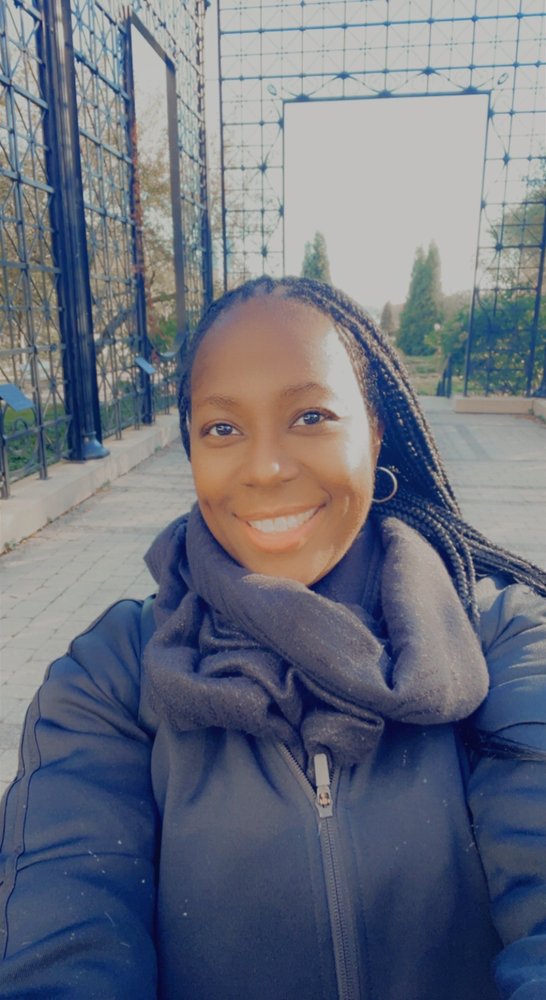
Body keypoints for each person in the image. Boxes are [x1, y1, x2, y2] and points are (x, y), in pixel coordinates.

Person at [0, 275, 545, 1000]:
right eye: (222, 429)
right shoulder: (108, 678)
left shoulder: (501, 637)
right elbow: (64, 938)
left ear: (375, 432)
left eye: (311, 416)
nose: (263, 468)